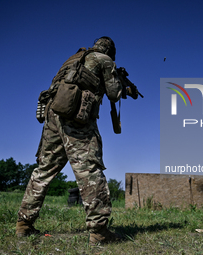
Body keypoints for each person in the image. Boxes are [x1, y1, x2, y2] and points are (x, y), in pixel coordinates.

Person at [16, 36, 123, 244]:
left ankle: (24, 224)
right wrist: (120, 84)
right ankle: (99, 231)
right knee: (89, 170)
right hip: (76, 118)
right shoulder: (104, 59)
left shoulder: (73, 58)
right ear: (110, 50)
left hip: (53, 114)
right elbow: (113, 94)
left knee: (44, 170)